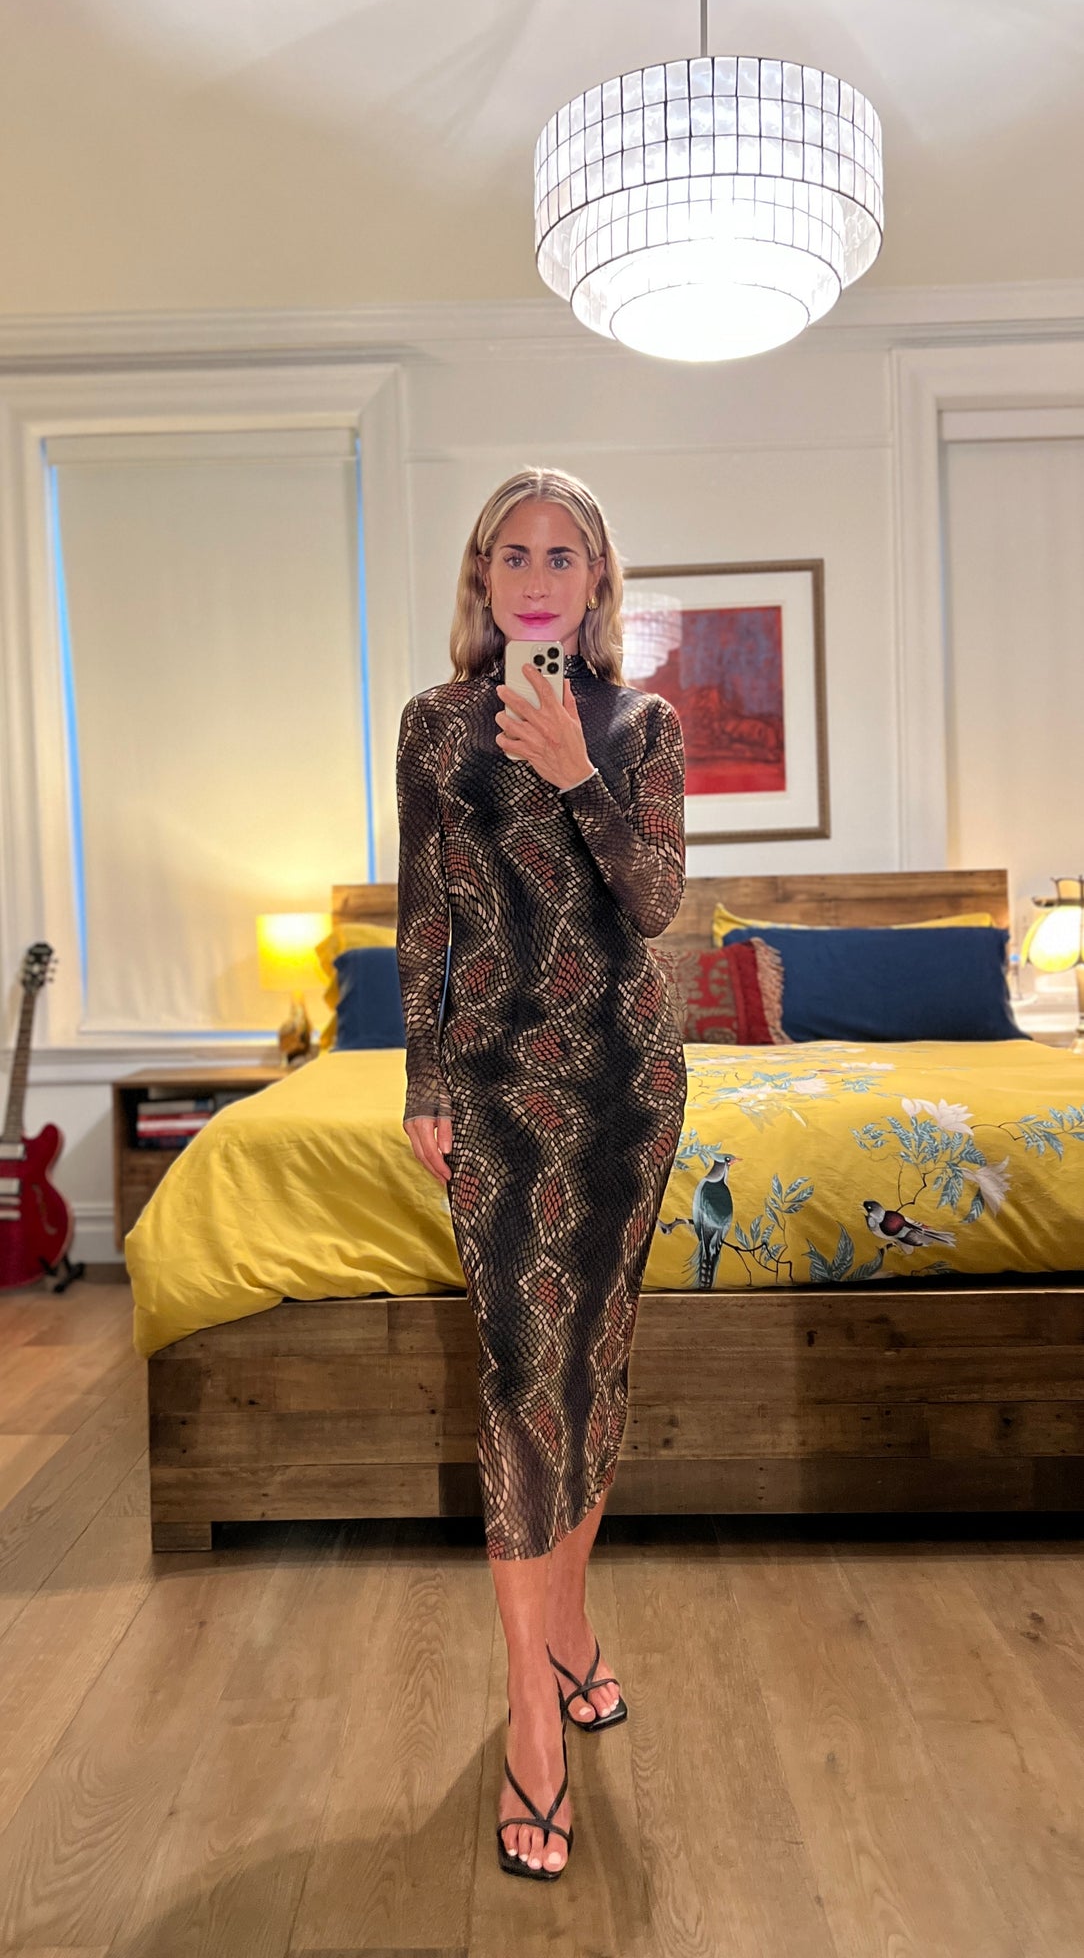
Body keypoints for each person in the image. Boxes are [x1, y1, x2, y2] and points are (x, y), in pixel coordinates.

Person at [395, 467, 687, 1880]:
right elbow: (423, 918)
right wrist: (423, 1080)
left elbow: (657, 902)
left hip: (630, 1085)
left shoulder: (643, 724)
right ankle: (532, 1706)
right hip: (497, 1089)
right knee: (522, 1380)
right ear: (482, 575)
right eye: (511, 553)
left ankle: (570, 1629)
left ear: (596, 579)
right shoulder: (433, 725)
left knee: (595, 1368)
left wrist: (576, 764)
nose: (535, 575)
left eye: (562, 554)